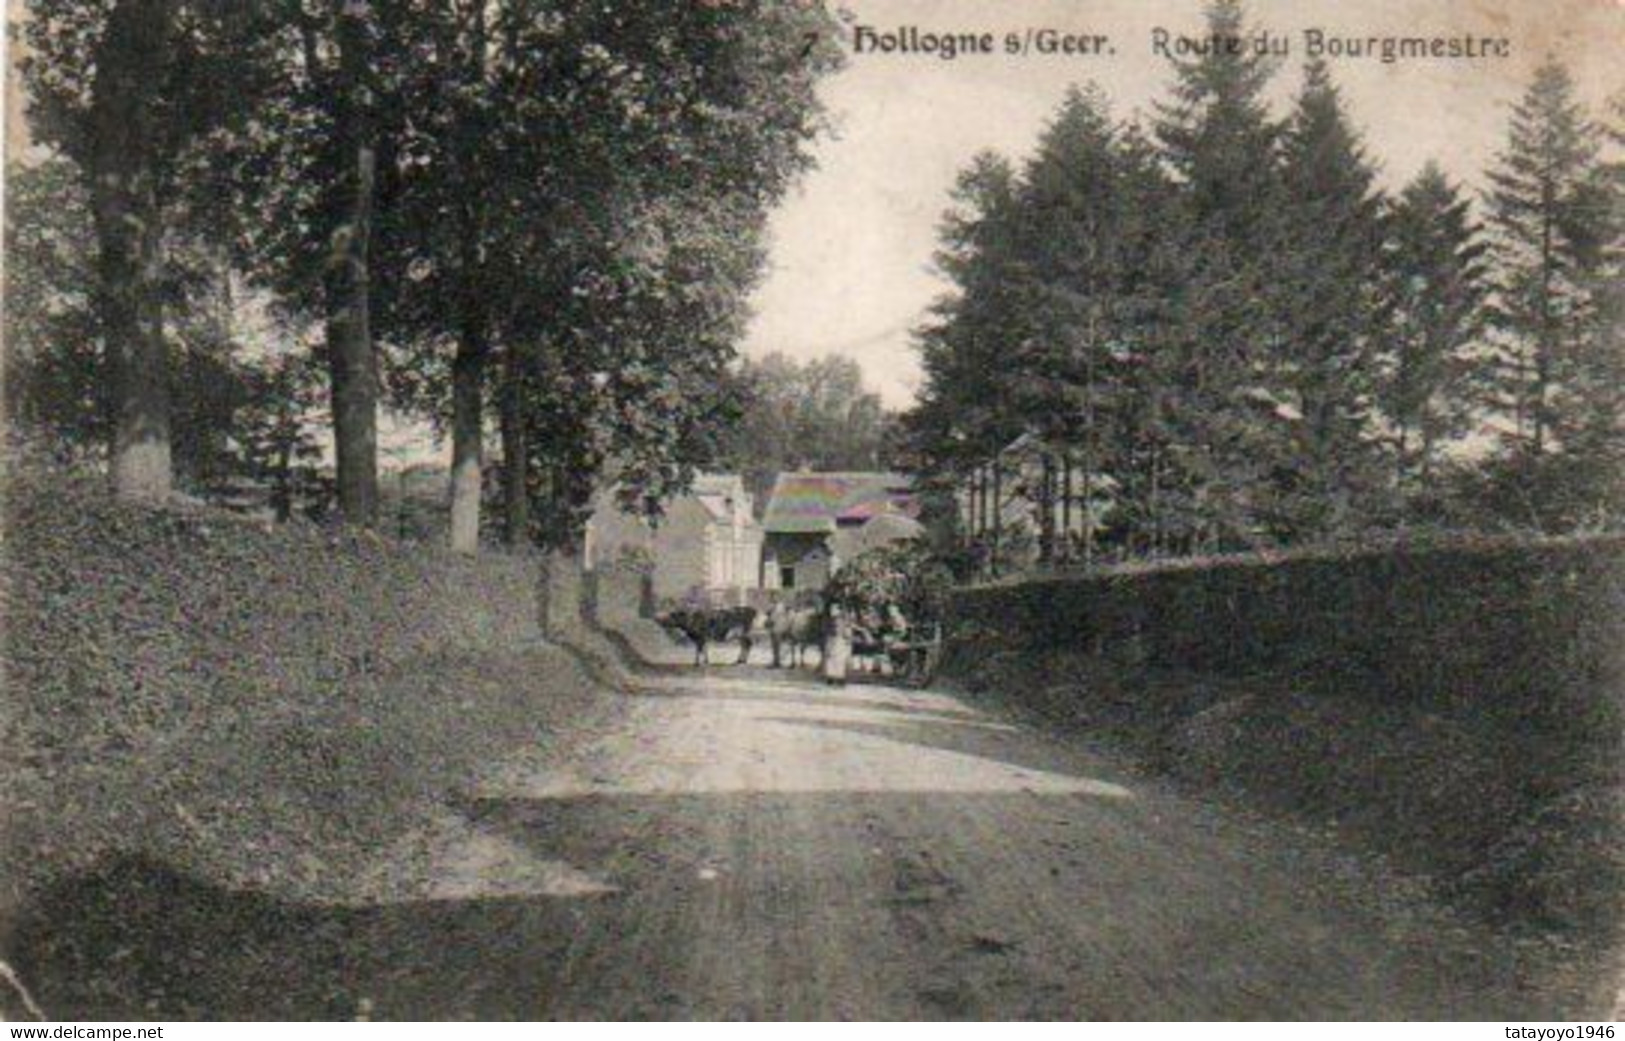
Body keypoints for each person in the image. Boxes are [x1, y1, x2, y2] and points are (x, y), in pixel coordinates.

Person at [822, 603, 851, 686]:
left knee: (839, 659)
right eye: (832, 610)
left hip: (840, 641)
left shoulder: (843, 620)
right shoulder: (829, 621)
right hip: (831, 640)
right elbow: (827, 631)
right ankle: (831, 678)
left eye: (834, 609)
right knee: (831, 659)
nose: (832, 611)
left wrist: (846, 637)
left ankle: (840, 678)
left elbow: (846, 631)